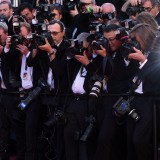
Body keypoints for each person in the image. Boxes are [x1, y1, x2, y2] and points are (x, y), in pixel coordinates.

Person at [93, 24, 139, 160]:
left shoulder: (127, 50)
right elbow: (102, 73)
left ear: (120, 37)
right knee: (110, 139)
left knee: (105, 138)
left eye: (112, 39)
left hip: (124, 101)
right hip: (107, 100)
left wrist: (107, 56)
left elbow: (124, 76)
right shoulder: (107, 50)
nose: (109, 43)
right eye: (106, 39)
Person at [126, 23, 159, 160]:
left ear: (143, 38)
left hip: (150, 102)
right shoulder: (136, 53)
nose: (133, 43)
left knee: (140, 140)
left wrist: (143, 61)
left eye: (135, 39)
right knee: (130, 139)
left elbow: (156, 78)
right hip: (135, 100)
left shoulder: (156, 54)